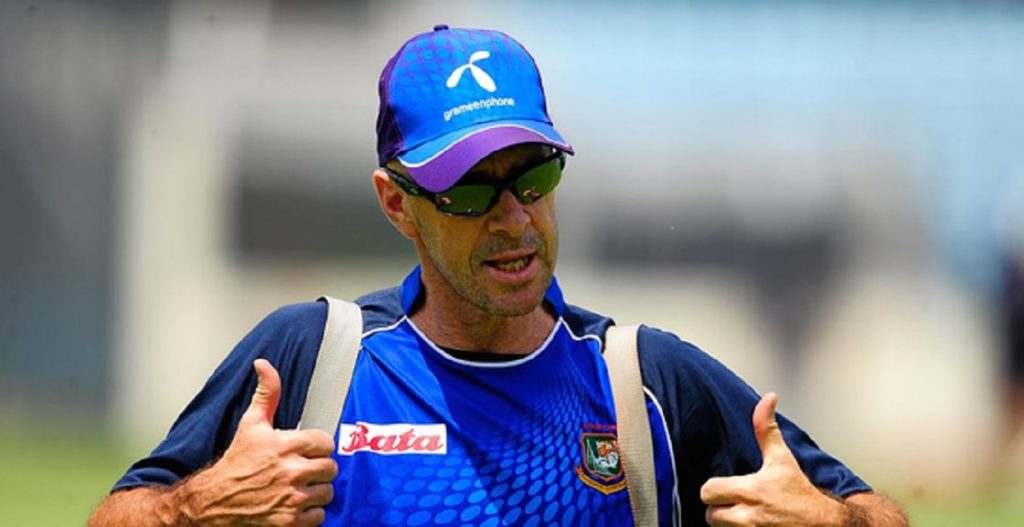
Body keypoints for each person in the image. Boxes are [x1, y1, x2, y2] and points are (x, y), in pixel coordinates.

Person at [89, 25, 908, 527]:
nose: (514, 218)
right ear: (397, 204)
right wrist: (191, 510)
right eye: (472, 189)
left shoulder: (645, 382)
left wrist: (835, 523)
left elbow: (880, 515)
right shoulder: (313, 360)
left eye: (535, 175)